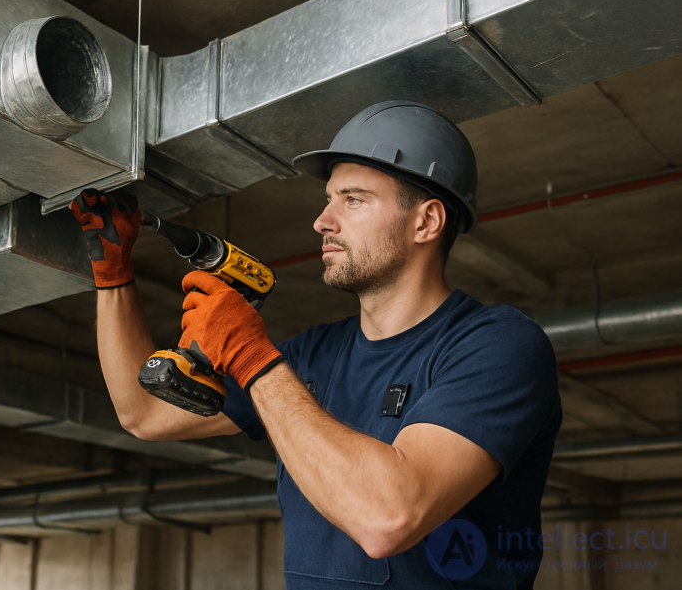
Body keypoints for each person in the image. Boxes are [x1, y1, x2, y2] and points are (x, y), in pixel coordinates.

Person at [71, 101, 561, 589]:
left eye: (353, 199)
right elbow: (143, 414)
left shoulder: (498, 346)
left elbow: (388, 518)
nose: (322, 221)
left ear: (426, 222)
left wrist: (250, 357)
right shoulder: (310, 356)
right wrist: (113, 276)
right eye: (328, 200)